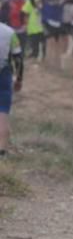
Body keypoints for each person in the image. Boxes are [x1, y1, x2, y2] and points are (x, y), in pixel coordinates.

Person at [0, 20, 24, 158]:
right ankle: (2, 152)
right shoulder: (9, 32)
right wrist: (19, 79)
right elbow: (18, 58)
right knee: (2, 113)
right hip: (4, 74)